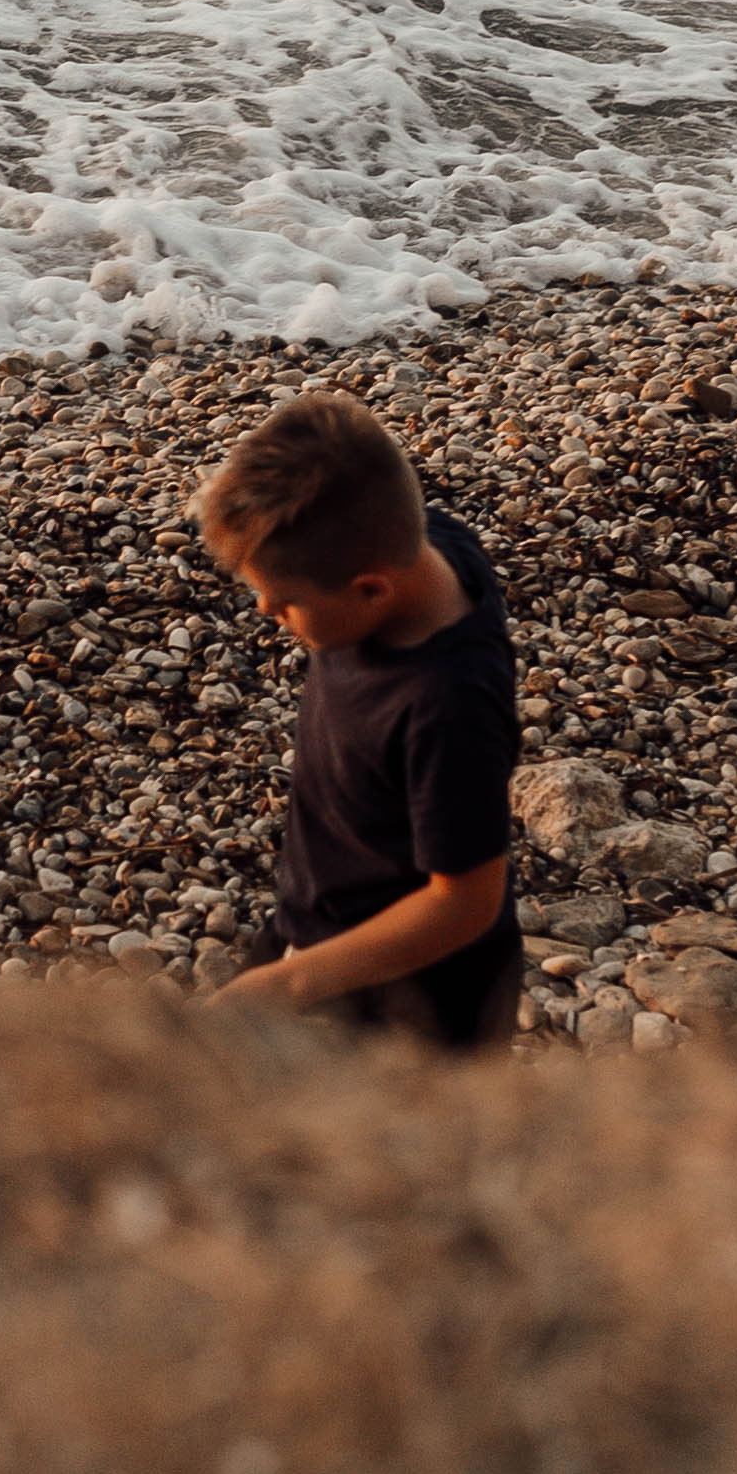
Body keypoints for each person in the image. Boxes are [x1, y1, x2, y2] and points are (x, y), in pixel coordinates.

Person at [196, 389, 522, 1051]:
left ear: (371, 588)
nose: (264, 610)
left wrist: (291, 983)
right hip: (314, 921)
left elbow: (465, 901)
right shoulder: (423, 541)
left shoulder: (445, 706)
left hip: (409, 1000)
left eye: (284, 601)